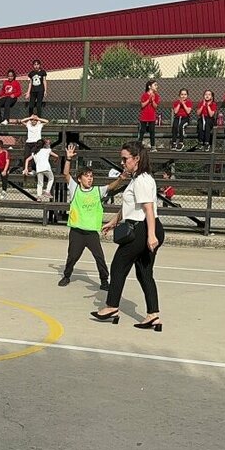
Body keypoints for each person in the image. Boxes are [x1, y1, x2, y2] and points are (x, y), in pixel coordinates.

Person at [93, 141, 165, 331]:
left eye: (125, 159)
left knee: (118, 265)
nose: (122, 162)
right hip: (145, 227)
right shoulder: (139, 178)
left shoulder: (142, 180)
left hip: (142, 228)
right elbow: (132, 205)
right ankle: (153, 315)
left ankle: (111, 307)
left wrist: (151, 235)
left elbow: (148, 209)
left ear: (137, 158)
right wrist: (114, 221)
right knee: (144, 273)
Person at [58, 144, 112, 290]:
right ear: (79, 179)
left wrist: (122, 177)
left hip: (91, 232)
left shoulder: (97, 191)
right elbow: (66, 174)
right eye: (86, 176)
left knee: (99, 257)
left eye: (91, 176)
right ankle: (67, 276)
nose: (90, 178)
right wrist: (68, 159)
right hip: (77, 231)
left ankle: (104, 281)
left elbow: (112, 186)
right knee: (72, 257)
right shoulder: (74, 188)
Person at [138, 80, 161, 148]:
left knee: (152, 131)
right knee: (142, 131)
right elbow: (142, 105)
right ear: (149, 86)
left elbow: (155, 106)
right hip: (144, 117)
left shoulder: (156, 96)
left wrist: (153, 100)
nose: (157, 86)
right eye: (155, 85)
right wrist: (149, 99)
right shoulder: (144, 95)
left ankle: (153, 146)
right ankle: (139, 146)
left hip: (152, 117)